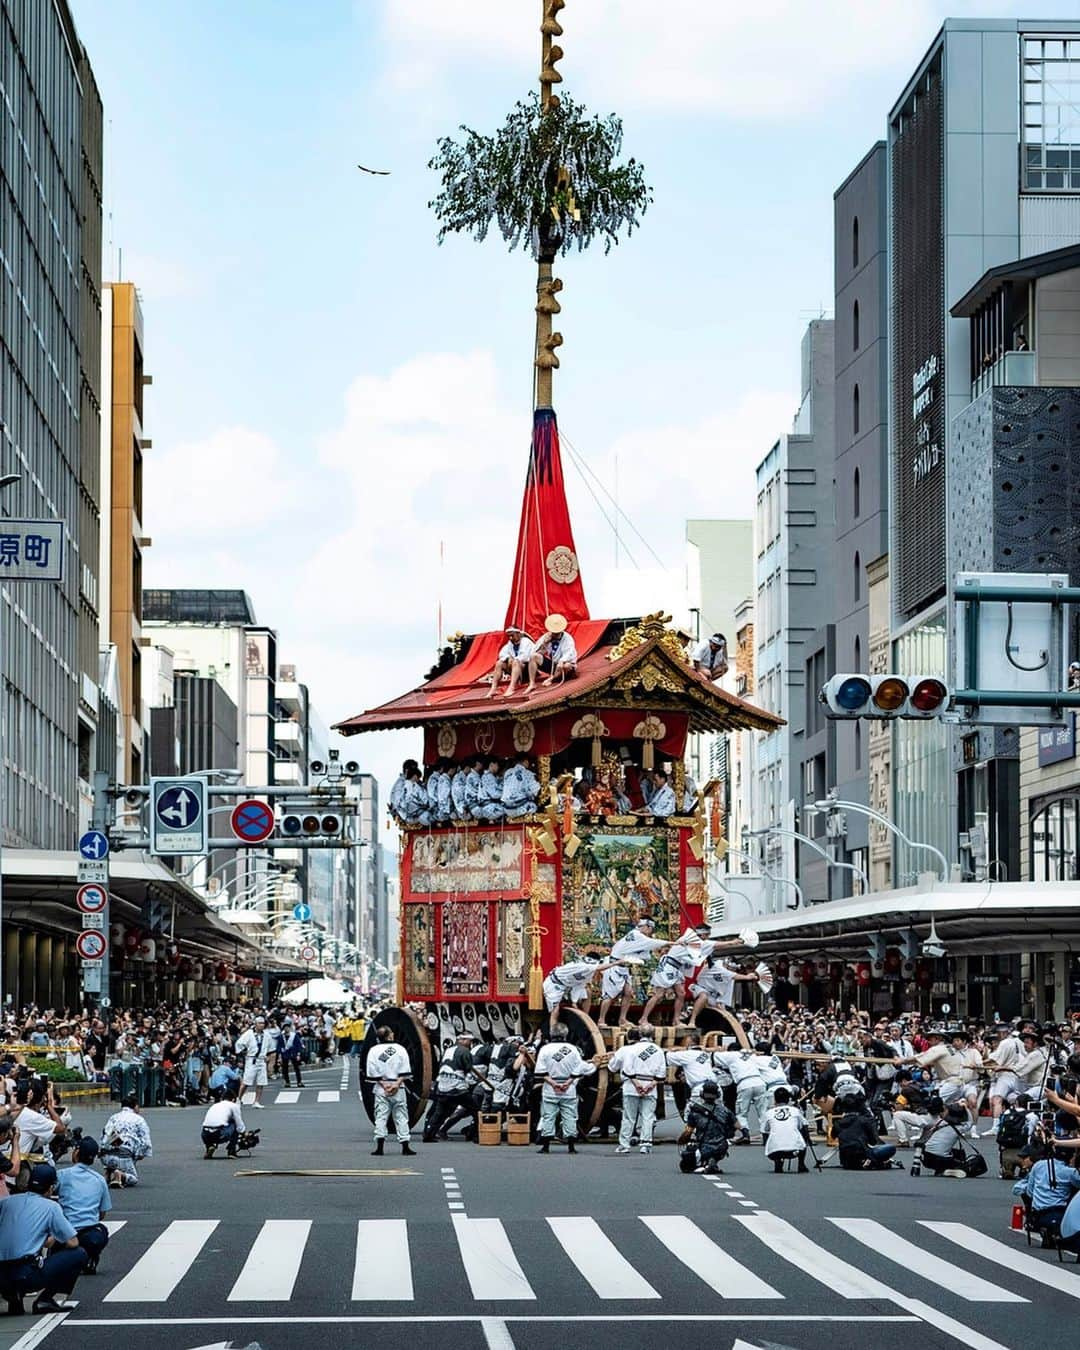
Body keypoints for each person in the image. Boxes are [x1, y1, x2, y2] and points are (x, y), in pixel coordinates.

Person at [0, 1163, 87, 1314]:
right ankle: (45, 1299)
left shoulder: (6, 1202)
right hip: (26, 1275)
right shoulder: (51, 1207)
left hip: (1, 1274)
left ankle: (14, 1298)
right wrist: (52, 1237)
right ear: (51, 1187)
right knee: (78, 1254)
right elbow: (73, 1242)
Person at [534, 1024, 596, 1154]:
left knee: (548, 1116)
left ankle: (546, 1146)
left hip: (550, 1087)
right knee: (570, 1116)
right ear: (565, 1035)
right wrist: (567, 1083)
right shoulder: (572, 1049)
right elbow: (578, 1069)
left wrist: (553, 1083)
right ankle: (571, 1146)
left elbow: (540, 1072)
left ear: (551, 1034)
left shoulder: (545, 1049)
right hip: (568, 1088)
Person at [638, 925, 717, 1028]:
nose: (707, 937)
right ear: (701, 934)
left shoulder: (696, 942)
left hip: (676, 968)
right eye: (707, 935)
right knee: (659, 995)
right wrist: (733, 942)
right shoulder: (689, 939)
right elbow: (714, 945)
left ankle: (676, 1020)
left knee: (681, 993)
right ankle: (643, 1019)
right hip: (668, 966)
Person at [600, 919, 671, 1027]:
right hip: (614, 966)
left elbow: (646, 950)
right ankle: (601, 1020)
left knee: (628, 992)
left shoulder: (639, 937)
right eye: (650, 929)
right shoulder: (636, 935)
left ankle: (622, 1019)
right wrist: (673, 943)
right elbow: (653, 943)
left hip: (624, 968)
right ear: (647, 927)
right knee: (609, 996)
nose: (650, 933)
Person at [56, 1137, 111, 1272]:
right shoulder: (99, 1179)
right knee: (102, 1231)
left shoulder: (62, 1175)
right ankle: (90, 1257)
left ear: (76, 1153)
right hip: (89, 1233)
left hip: (65, 1230)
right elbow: (102, 1213)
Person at [609, 1029, 666, 1155]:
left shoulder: (632, 1049)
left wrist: (637, 1084)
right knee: (648, 1116)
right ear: (652, 1035)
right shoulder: (658, 1050)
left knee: (629, 1117)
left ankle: (624, 1145)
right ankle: (646, 1144)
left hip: (631, 1086)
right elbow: (662, 1071)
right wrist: (651, 1085)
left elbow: (628, 1069)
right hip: (650, 1086)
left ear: (640, 1035)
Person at [423, 1033, 486, 1142]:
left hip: (443, 1086)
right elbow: (467, 1068)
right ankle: (475, 1135)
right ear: (463, 1040)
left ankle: (429, 1135)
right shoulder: (464, 1051)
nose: (470, 1043)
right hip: (457, 1088)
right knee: (476, 1110)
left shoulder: (448, 1050)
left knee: (439, 1112)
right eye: (469, 1041)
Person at [1013, 1144, 1080, 1246]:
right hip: (1059, 1212)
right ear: (1070, 1156)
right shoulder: (1070, 1172)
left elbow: (1030, 1191)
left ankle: (1043, 1228)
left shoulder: (1038, 1165)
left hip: (1037, 1213)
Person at [366, 1027, 416, 1157]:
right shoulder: (400, 1049)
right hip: (398, 1087)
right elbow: (405, 1069)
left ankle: (380, 1147)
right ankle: (405, 1146)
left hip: (381, 1088)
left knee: (381, 1117)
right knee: (401, 1116)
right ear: (389, 1036)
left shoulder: (373, 1051)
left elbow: (372, 1071)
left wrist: (384, 1084)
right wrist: (396, 1084)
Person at [543, 956, 621, 1033]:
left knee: (587, 992)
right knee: (555, 1011)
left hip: (568, 987)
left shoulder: (588, 973)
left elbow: (578, 986)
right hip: (554, 984)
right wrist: (616, 963)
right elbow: (599, 967)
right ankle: (553, 1034)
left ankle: (585, 1019)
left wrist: (574, 1002)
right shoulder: (581, 966)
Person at [714, 1047, 768, 1144]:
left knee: (742, 1113)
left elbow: (714, 1056)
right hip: (759, 1082)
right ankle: (766, 1136)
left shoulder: (731, 1055)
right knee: (762, 1112)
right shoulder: (751, 1055)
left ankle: (745, 1134)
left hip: (744, 1083)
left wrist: (719, 1049)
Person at [680, 1081, 737, 1174]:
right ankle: (713, 1161)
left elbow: (688, 1131)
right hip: (721, 1147)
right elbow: (737, 1125)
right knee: (723, 1144)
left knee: (691, 1149)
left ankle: (706, 1161)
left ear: (702, 1094)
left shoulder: (695, 1112)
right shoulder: (725, 1110)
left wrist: (682, 1139)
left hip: (703, 1147)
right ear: (718, 1095)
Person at [686, 956, 759, 1025]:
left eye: (733, 970)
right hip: (698, 987)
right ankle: (692, 1020)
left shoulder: (730, 980)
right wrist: (747, 977)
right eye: (731, 969)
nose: (732, 971)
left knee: (724, 1014)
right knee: (703, 996)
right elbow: (732, 975)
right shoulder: (716, 965)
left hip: (712, 996)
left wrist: (726, 1014)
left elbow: (722, 1001)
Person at [834, 1093, 897, 1170]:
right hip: (862, 1152)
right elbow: (873, 1141)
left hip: (845, 1159)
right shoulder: (864, 1120)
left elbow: (833, 1136)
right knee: (891, 1148)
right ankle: (869, 1161)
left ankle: (865, 1161)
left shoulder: (838, 1123)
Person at [100, 1095, 152, 1188]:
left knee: (112, 1150)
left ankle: (108, 1172)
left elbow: (104, 1135)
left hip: (105, 1157)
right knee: (133, 1178)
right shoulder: (139, 1119)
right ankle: (120, 1175)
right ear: (135, 1106)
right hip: (123, 1157)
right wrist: (139, 1154)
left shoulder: (113, 1117)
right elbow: (146, 1142)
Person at [762, 1087, 810, 1173]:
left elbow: (764, 1131)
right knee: (802, 1132)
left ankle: (777, 1161)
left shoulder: (768, 1113)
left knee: (771, 1135)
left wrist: (767, 1144)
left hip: (774, 1151)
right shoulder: (795, 1111)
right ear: (788, 1100)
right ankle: (801, 1164)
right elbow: (804, 1125)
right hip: (795, 1150)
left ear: (775, 1100)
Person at [527, 614, 578, 692]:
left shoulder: (568, 638)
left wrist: (561, 661)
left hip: (565, 665)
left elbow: (569, 653)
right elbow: (536, 652)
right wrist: (545, 643)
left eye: (557, 633)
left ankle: (552, 679)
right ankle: (532, 683)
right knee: (534, 657)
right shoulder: (546, 637)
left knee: (566, 666)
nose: (555, 635)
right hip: (554, 666)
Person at [666, 1033, 720, 1106]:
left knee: (694, 1115)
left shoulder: (687, 1054)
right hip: (715, 1087)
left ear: (688, 1043)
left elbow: (667, 1056)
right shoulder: (705, 1054)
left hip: (700, 1089)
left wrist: (674, 1049)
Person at [235, 1015, 275, 1108]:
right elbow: (239, 1044)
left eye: (263, 1023)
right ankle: (239, 1099)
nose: (261, 1025)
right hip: (251, 1059)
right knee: (246, 1081)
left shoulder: (267, 1035)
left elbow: (271, 1048)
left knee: (261, 1082)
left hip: (261, 1060)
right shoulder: (249, 1033)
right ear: (255, 1024)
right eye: (259, 1023)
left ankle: (256, 1101)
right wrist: (243, 1053)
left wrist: (269, 1057)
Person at [488, 625, 534, 699]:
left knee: (516, 661)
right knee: (499, 663)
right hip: (515, 668)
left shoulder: (526, 642)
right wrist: (508, 658)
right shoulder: (510, 644)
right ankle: (493, 688)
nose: (510, 638)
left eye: (512, 635)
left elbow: (525, 657)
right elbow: (502, 654)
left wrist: (513, 660)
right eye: (509, 636)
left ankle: (511, 687)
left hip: (528, 670)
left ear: (518, 634)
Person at [201, 1085, 246, 1159]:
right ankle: (231, 1151)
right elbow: (240, 1126)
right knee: (234, 1124)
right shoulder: (233, 1106)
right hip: (219, 1134)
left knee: (212, 1127)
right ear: (233, 1099)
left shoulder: (215, 1105)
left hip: (205, 1134)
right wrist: (244, 1133)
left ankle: (209, 1146)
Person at [502, 754, 540, 819]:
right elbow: (535, 790)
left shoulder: (508, 772)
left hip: (507, 809)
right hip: (520, 808)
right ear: (525, 761)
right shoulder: (528, 773)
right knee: (534, 807)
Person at [278, 1019, 305, 1088]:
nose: (286, 1028)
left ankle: (299, 1081)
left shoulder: (294, 1035)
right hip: (285, 1053)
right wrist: (280, 1055)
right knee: (285, 1068)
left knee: (296, 1068)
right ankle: (287, 1082)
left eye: (287, 1027)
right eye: (285, 1027)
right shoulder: (281, 1036)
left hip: (293, 1053)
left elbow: (298, 1045)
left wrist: (298, 1054)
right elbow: (279, 1046)